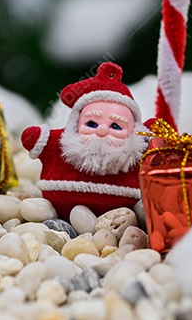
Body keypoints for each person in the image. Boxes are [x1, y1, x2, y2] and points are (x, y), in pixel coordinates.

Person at [20, 62, 147, 217]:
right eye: (92, 123)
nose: (102, 130)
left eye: (116, 126)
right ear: (76, 123)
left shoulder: (140, 152)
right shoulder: (59, 142)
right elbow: (33, 138)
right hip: (61, 203)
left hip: (121, 211)